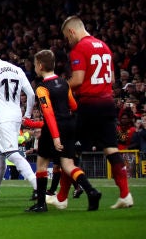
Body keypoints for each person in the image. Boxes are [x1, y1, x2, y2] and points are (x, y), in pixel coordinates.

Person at [62, 15, 134, 209]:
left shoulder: (79, 48)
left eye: (67, 38)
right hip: (107, 102)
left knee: (68, 151)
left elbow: (77, 80)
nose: (69, 42)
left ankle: (61, 197)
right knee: (111, 148)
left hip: (89, 105)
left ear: (71, 31)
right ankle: (125, 194)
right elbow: (110, 78)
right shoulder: (104, 46)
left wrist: (61, 87)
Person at [24, 49, 101, 212]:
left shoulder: (41, 88)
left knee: (42, 164)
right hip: (70, 124)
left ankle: (40, 204)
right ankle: (91, 191)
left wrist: (55, 136)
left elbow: (48, 113)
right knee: (68, 164)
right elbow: (73, 105)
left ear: (39, 65)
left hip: (54, 127)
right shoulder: (64, 83)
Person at [0, 48, 37, 201]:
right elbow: (31, 94)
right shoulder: (17, 69)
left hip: (2, 118)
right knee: (0, 155)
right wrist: (27, 114)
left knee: (12, 153)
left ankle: (38, 186)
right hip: (16, 115)